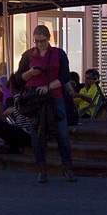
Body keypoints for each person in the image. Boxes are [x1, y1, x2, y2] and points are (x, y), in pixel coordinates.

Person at [18, 25, 76, 184]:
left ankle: (68, 167)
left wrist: (49, 86)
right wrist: (31, 73)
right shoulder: (28, 55)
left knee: (62, 133)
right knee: (37, 136)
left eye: (42, 41)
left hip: (55, 96)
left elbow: (65, 76)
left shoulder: (58, 54)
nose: (39, 44)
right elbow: (18, 78)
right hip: (35, 100)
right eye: (36, 41)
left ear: (48, 39)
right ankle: (42, 170)